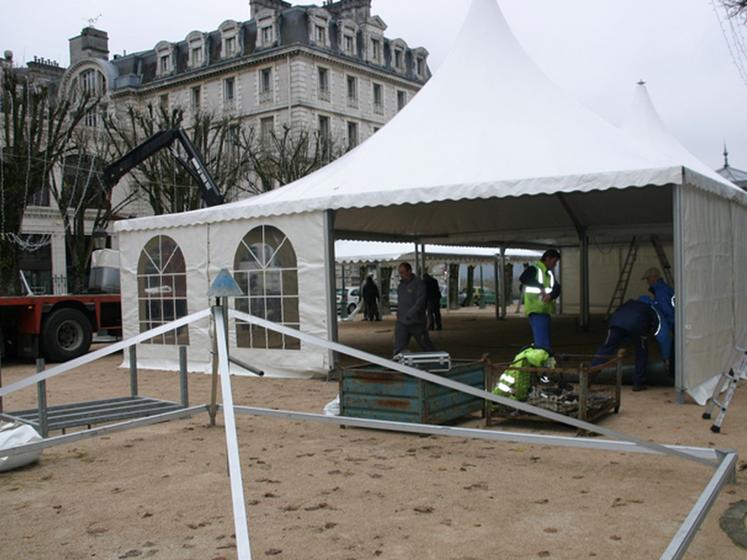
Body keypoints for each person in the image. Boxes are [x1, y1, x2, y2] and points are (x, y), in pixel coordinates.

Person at [591, 297, 673, 391]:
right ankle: (638, 382)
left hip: (616, 323)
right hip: (637, 325)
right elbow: (664, 336)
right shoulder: (653, 309)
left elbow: (618, 314)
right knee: (641, 352)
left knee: (606, 349)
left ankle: (591, 373)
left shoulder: (629, 303)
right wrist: (666, 358)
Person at [519, 249, 561, 351]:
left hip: (544, 310)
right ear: (547, 259)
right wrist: (540, 286)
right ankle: (543, 362)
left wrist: (551, 296)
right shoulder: (535, 269)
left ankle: (544, 360)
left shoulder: (548, 273)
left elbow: (557, 288)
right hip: (536, 310)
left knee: (543, 340)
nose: (555, 265)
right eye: (554, 262)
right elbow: (523, 278)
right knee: (542, 342)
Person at [393, 262, 435, 355]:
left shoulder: (419, 283)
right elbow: (400, 301)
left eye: (403, 272)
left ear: (409, 271)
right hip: (402, 321)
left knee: (426, 345)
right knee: (399, 346)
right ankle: (397, 364)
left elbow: (421, 301)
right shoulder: (401, 286)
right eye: (400, 273)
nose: (401, 275)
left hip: (417, 322)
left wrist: (411, 313)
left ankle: (434, 361)